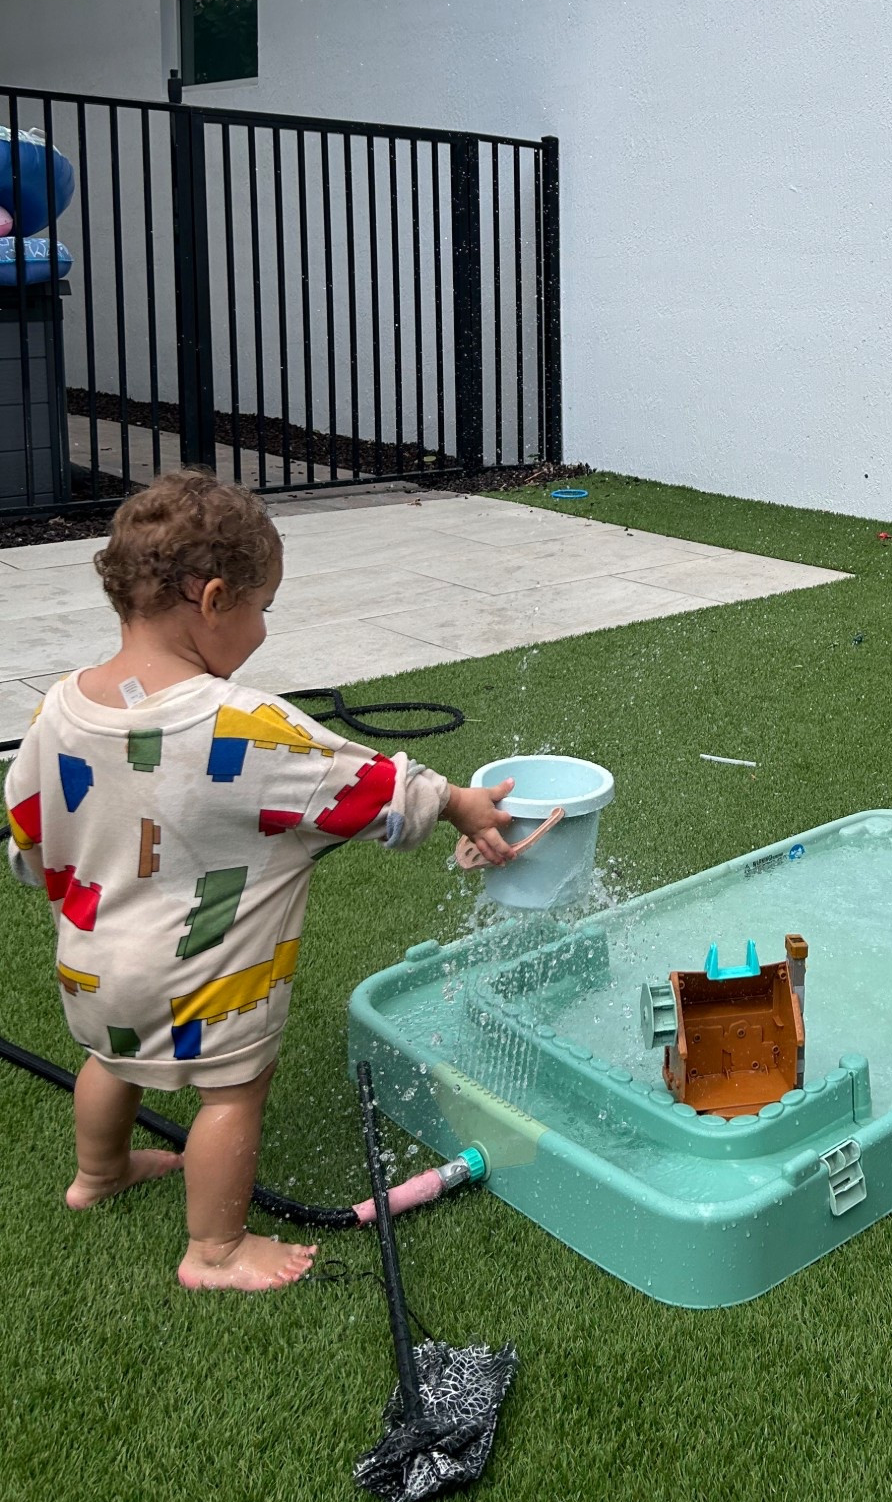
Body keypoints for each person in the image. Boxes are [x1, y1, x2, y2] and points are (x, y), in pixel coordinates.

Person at [4, 471, 518, 1290]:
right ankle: (215, 1250)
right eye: (263, 607)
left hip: (91, 963)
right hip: (202, 981)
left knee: (111, 1063)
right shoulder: (244, 728)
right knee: (231, 1093)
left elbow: (27, 833)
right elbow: (367, 786)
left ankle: (96, 1176)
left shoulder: (57, 709)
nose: (265, 629)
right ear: (212, 600)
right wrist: (457, 804)